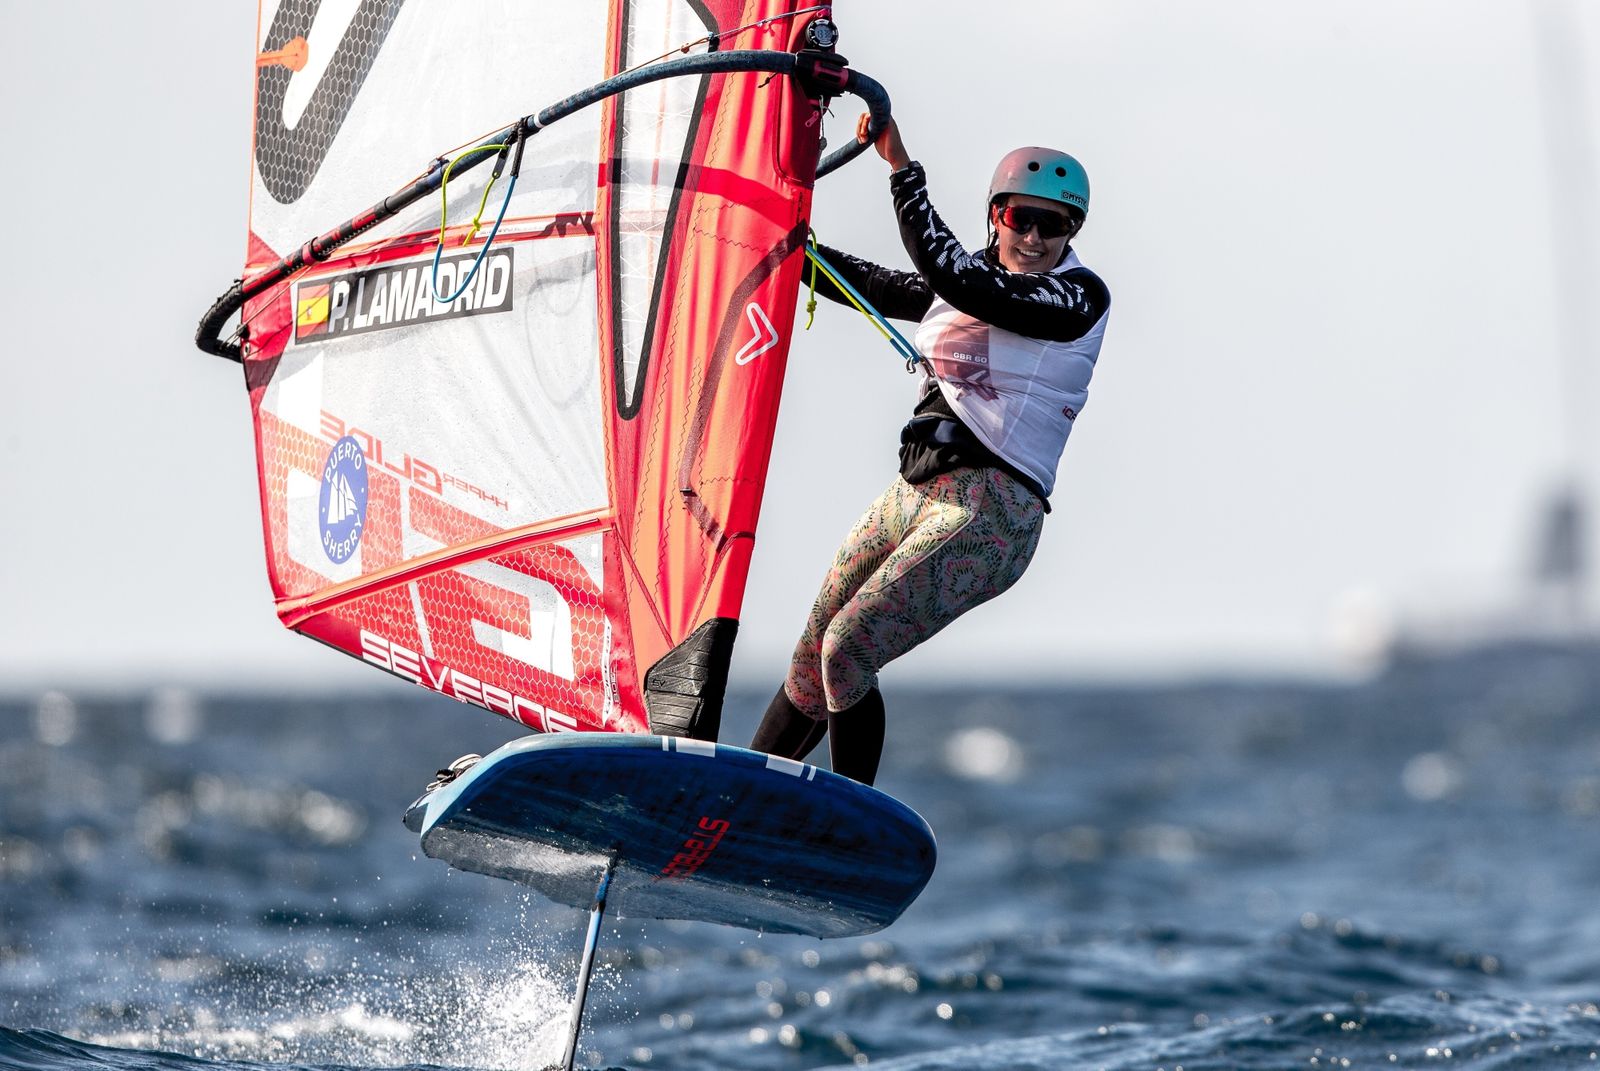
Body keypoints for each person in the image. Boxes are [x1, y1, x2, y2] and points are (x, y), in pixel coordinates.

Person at [748, 115, 1112, 786]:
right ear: (995, 216)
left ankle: (850, 822)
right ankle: (732, 797)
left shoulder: (1078, 296)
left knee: (849, 648)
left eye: (1053, 225)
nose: (1033, 237)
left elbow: (960, 281)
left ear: (1071, 234)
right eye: (1019, 217)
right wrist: (774, 240)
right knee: (810, 661)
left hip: (990, 514)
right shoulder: (966, 279)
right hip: (915, 493)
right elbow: (879, 285)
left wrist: (901, 166)